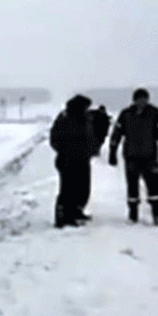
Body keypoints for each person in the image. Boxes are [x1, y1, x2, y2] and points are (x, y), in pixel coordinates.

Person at [108, 88, 158, 225]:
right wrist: (112, 150)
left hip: (150, 157)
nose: (142, 101)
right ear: (134, 100)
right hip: (132, 157)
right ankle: (133, 215)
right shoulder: (126, 114)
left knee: (155, 187)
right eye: (139, 99)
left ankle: (157, 215)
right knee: (132, 187)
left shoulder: (154, 114)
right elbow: (117, 132)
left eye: (144, 99)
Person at [50, 94, 97, 228]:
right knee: (67, 191)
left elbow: (90, 136)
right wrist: (64, 152)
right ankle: (63, 218)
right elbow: (54, 138)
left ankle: (77, 212)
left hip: (83, 159)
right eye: (86, 107)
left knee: (82, 189)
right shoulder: (65, 118)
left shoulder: (86, 118)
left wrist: (92, 150)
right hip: (67, 160)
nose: (87, 109)